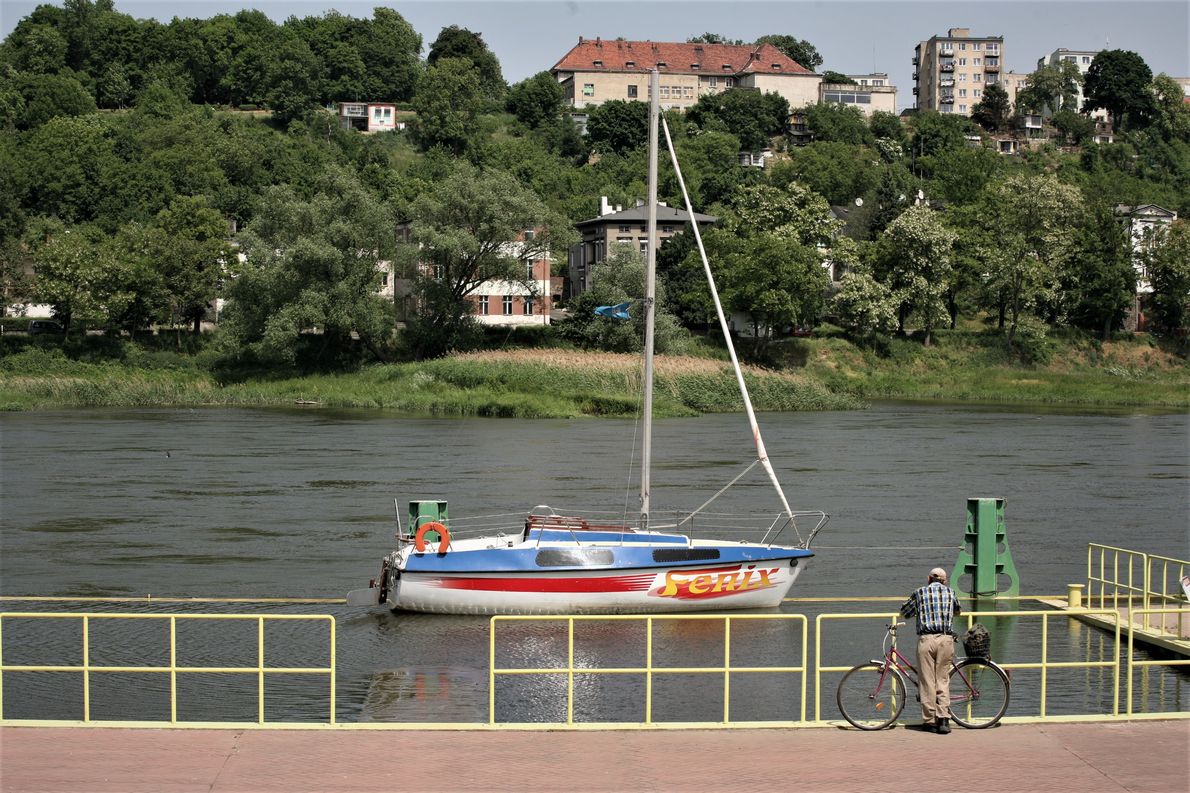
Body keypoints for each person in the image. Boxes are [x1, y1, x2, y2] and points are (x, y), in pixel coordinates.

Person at [900, 567, 961, 734]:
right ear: (944, 581)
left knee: (927, 681)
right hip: (945, 639)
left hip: (926, 640)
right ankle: (944, 721)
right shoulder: (951, 592)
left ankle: (929, 721)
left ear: (929, 579)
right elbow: (957, 611)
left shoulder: (919, 593)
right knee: (942, 679)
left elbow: (905, 612)